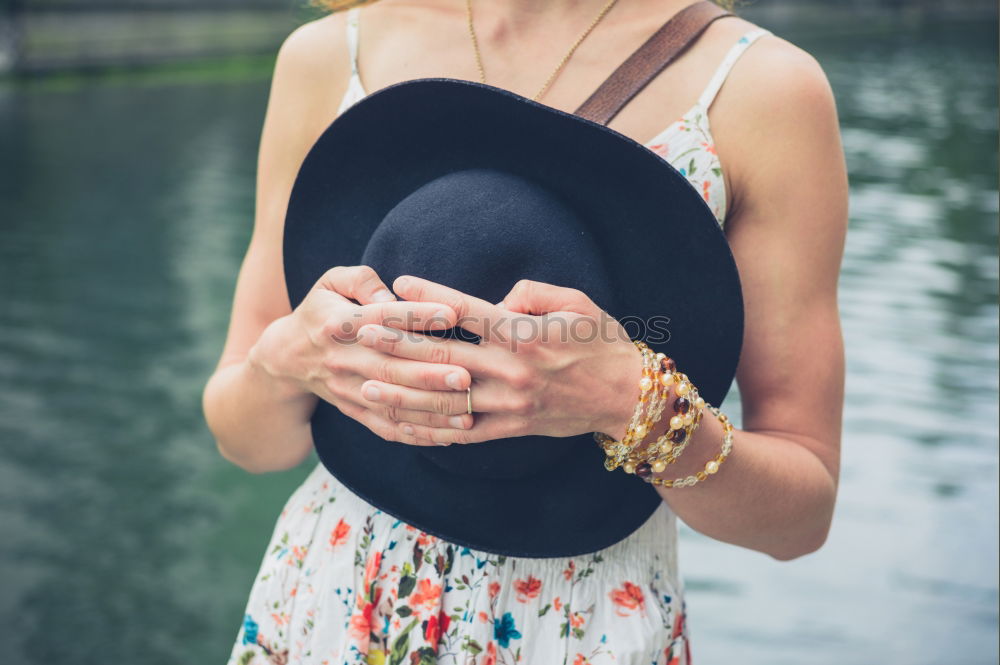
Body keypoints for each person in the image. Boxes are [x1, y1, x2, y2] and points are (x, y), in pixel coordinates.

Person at [204, 0, 848, 663]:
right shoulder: (329, 55)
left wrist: (630, 403)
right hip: (337, 605)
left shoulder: (758, 89)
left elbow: (801, 516)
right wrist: (284, 363)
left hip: (578, 629)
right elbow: (245, 438)